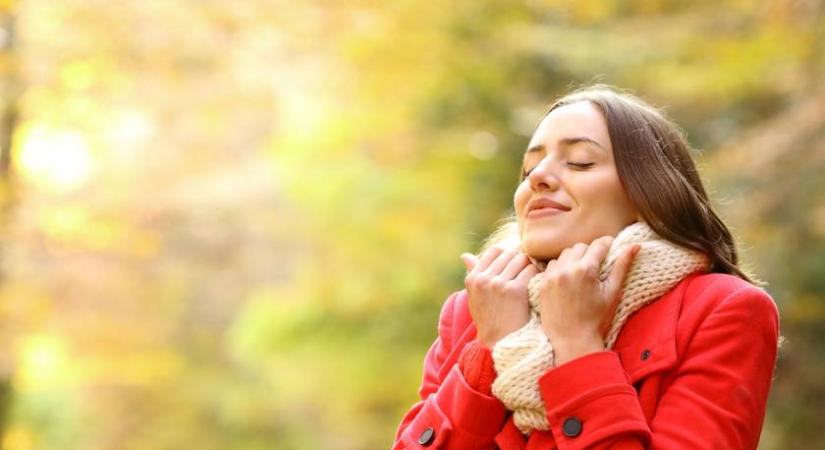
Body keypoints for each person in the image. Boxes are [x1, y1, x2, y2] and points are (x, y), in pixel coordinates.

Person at [392, 85, 780, 449]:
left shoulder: (722, 310)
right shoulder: (476, 309)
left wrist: (577, 343)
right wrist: (489, 350)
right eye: (528, 171)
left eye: (579, 162)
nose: (539, 177)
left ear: (648, 192)